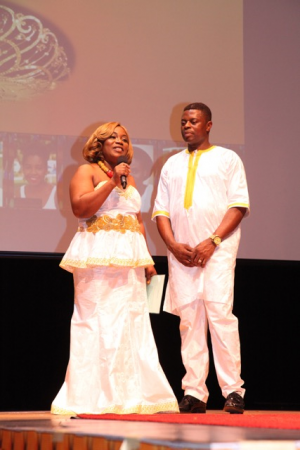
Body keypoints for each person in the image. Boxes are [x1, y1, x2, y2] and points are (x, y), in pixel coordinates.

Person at [51, 122, 179, 415]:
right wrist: (110, 181)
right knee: (97, 322)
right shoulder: (87, 171)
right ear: (99, 143)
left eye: (124, 138)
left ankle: (131, 396)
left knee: (131, 324)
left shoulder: (129, 178)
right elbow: (81, 209)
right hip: (97, 259)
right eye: (112, 137)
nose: (120, 141)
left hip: (129, 261)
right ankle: (94, 398)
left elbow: (136, 219)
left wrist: (147, 260)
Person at [152, 103, 250, 414]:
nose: (186, 126)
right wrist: (172, 245)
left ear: (208, 125)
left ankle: (233, 391)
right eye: (183, 121)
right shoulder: (171, 165)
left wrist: (212, 242)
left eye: (193, 121)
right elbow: (161, 212)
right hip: (181, 255)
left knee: (220, 315)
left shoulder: (227, 158)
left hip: (217, 252)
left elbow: (238, 206)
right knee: (189, 321)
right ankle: (194, 392)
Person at [14, 144, 57, 209]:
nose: (33, 172)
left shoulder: (56, 194)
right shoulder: (18, 193)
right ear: (23, 168)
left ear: (46, 169)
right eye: (28, 167)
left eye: (39, 168)